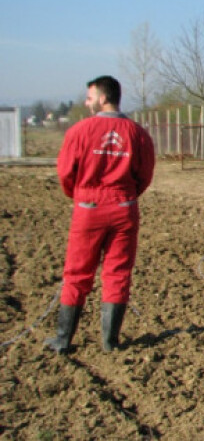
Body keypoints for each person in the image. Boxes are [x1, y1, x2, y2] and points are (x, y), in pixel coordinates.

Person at [46, 75, 155, 353]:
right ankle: (110, 341)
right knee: (118, 273)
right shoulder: (138, 133)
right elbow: (144, 174)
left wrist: (81, 195)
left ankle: (62, 340)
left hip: (89, 208)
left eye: (89, 97)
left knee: (77, 273)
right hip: (124, 208)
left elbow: (66, 172)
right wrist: (126, 195)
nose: (87, 102)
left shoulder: (80, 131)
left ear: (104, 98)